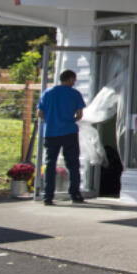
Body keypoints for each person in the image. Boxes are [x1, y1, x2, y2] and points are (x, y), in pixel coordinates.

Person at [37, 69, 86, 205]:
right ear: (70, 79)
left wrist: (50, 121)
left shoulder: (48, 93)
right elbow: (80, 115)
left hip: (51, 132)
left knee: (50, 163)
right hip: (69, 132)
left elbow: (40, 112)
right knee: (73, 163)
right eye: (73, 80)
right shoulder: (75, 94)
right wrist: (72, 120)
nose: (74, 83)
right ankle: (75, 194)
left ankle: (48, 196)